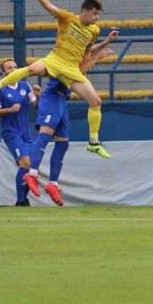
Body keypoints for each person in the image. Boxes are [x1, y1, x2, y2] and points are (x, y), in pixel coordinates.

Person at [0, 0, 117, 159]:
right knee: (31, 69)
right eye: (94, 14)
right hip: (54, 60)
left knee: (96, 102)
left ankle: (93, 143)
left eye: (98, 15)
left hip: (71, 68)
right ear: (84, 11)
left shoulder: (94, 31)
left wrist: (105, 42)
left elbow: (87, 51)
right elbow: (50, 7)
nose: (96, 18)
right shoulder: (68, 18)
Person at [23, 48, 113, 206]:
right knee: (45, 135)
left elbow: (87, 51)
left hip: (61, 101)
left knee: (63, 143)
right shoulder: (65, 63)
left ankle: (53, 183)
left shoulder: (76, 61)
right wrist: (98, 57)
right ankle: (32, 174)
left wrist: (105, 43)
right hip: (51, 98)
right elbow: (81, 68)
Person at [0, 59, 41, 206]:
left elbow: (36, 105)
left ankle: (23, 199)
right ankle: (20, 201)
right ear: (3, 73)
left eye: (15, 67)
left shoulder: (25, 86)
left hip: (26, 133)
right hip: (11, 132)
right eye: (9, 68)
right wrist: (10, 110)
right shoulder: (0, 88)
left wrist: (38, 95)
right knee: (25, 162)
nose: (13, 70)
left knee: (32, 166)